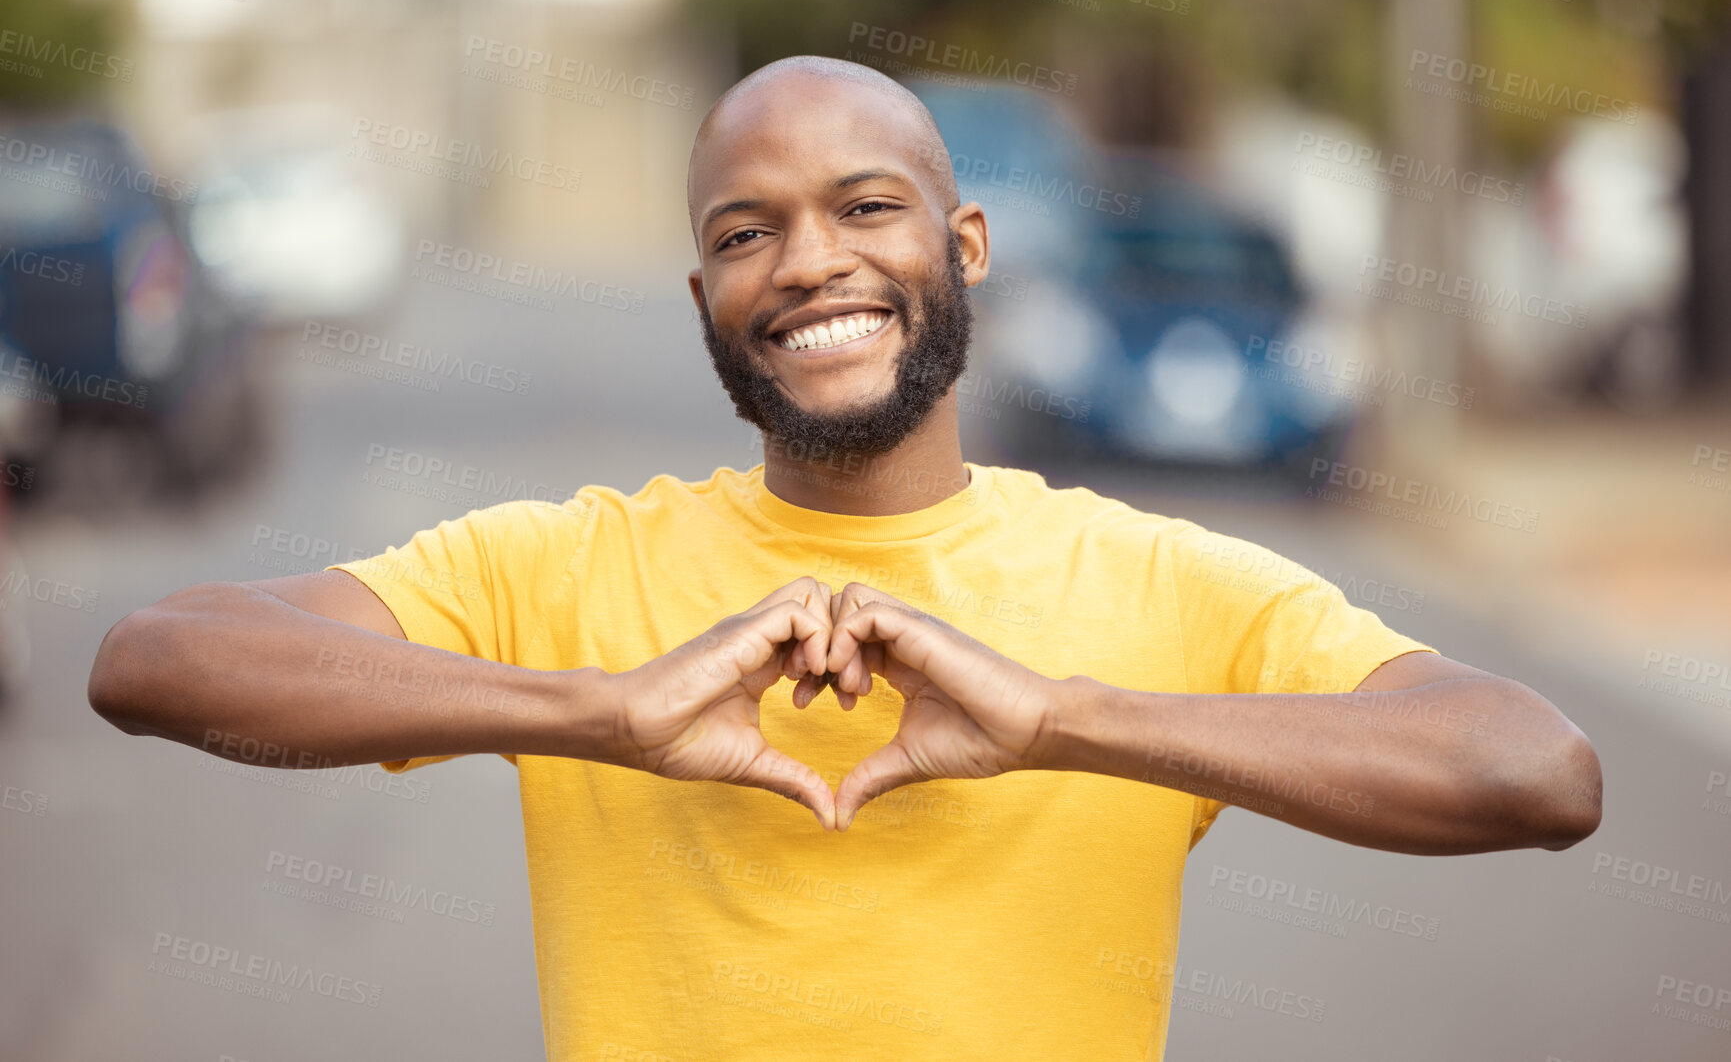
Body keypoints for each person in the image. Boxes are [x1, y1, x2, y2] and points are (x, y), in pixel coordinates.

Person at [87, 55, 1602, 1061]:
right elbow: (155, 662)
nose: (808, 260)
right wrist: (594, 714)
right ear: (703, 293)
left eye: (867, 208)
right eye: (747, 234)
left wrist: (1063, 721)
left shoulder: (1156, 579)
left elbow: (1535, 774)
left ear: (968, 245)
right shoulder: (564, 567)